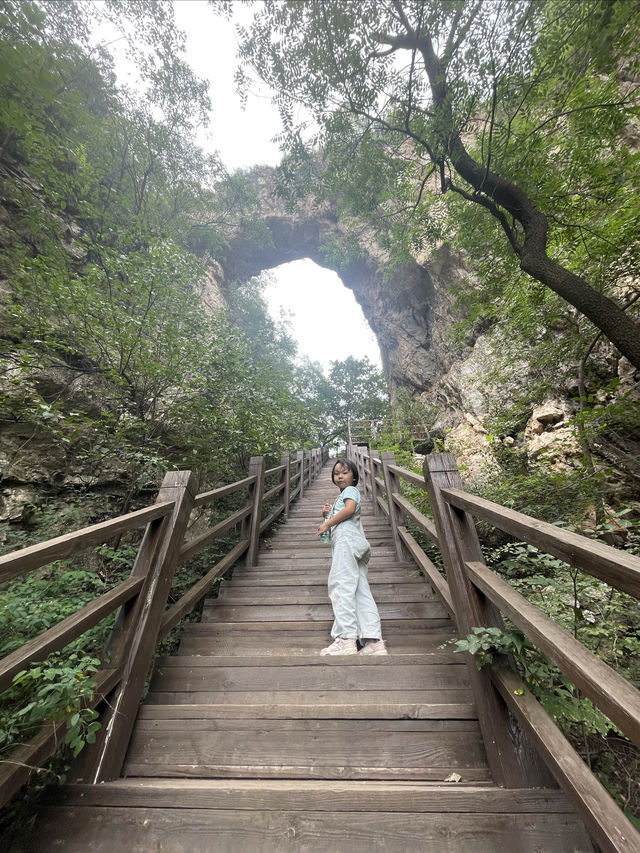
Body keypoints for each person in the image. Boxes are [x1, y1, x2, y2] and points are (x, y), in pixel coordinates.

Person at [316, 458, 387, 656]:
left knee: (341, 586)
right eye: (337, 473)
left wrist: (328, 523)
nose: (340, 475)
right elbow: (336, 524)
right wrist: (326, 517)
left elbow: (349, 510)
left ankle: (346, 639)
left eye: (345, 472)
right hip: (355, 544)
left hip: (347, 543)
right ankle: (374, 641)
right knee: (360, 592)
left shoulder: (350, 491)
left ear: (354, 476)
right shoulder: (342, 497)